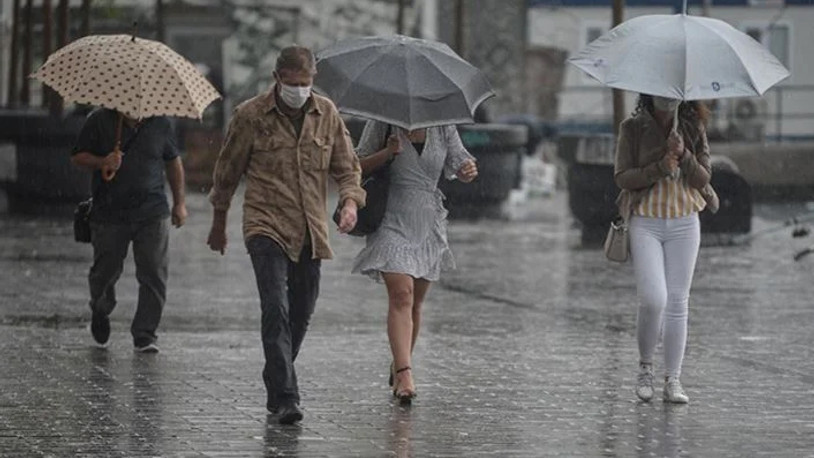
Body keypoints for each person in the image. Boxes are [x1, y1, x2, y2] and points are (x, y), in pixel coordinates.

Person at [206, 46, 365, 425]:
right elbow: (227, 173)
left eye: (306, 83)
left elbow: (348, 169)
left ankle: (276, 372)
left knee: (302, 311)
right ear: (277, 78)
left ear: (313, 80)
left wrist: (349, 203)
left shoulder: (326, 113)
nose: (299, 90)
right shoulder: (250, 116)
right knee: (274, 306)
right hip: (265, 223)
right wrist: (218, 222)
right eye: (292, 83)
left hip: (311, 228)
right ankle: (286, 397)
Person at [351, 119, 478, 404]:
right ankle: (406, 372)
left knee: (415, 303)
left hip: (427, 222)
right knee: (401, 294)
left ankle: (399, 361)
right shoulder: (382, 122)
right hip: (390, 220)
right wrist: (387, 153)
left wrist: (468, 170)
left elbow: (460, 161)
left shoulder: (443, 124)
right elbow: (354, 166)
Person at [613, 94, 719, 404]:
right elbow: (622, 177)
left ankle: (673, 378)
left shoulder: (692, 125)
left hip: (685, 221)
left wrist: (684, 154)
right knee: (652, 299)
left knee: (677, 301)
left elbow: (704, 177)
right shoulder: (632, 128)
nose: (667, 99)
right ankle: (645, 367)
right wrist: (660, 165)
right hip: (646, 220)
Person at [71, 108, 187, 353]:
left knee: (154, 272)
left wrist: (179, 203)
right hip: (110, 212)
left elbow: (173, 162)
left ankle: (145, 334)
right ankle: (100, 308)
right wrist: (103, 161)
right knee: (105, 271)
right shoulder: (100, 120)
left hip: (152, 211)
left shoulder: (161, 123)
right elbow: (78, 157)